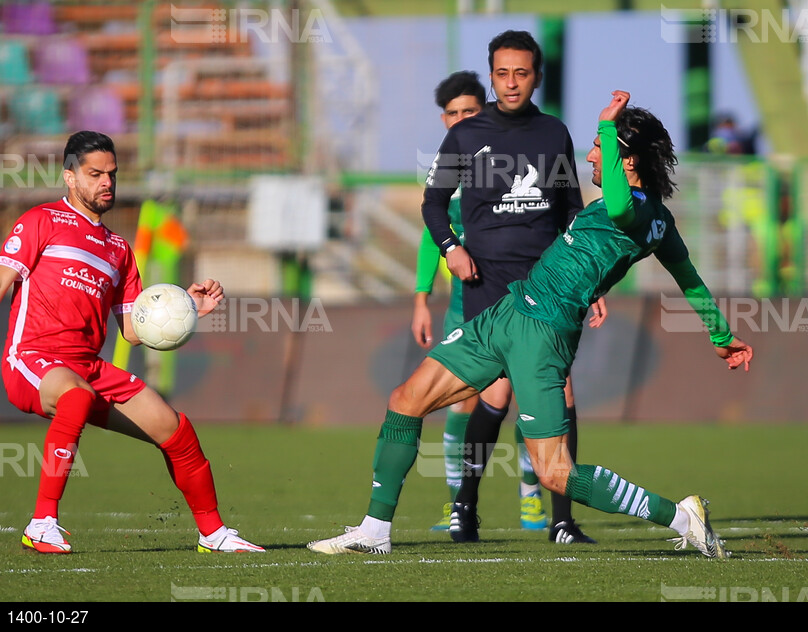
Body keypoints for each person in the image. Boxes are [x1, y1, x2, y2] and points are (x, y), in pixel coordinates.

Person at [307, 90, 752, 558]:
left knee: (553, 471)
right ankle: (375, 530)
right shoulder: (655, 218)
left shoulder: (637, 210)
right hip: (508, 312)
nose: (592, 155)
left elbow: (627, 214)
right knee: (406, 400)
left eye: (601, 148)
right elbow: (693, 283)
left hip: (543, 334)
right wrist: (721, 335)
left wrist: (606, 123)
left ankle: (682, 516)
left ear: (629, 159)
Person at [0, 131, 264, 554]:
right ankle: (42, 522)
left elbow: (133, 330)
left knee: (176, 430)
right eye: (95, 174)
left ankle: (213, 534)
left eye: (112, 174)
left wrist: (185, 308)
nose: (107, 182)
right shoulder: (41, 221)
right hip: (32, 358)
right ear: (69, 177)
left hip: (88, 368)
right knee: (75, 398)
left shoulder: (119, 250)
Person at [425, 31, 604, 544]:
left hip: (550, 284)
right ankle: (466, 506)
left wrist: (588, 277)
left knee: (559, 390)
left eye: (521, 73)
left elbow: (572, 210)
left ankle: (563, 519)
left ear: (536, 77)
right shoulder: (465, 135)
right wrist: (450, 249)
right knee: (497, 394)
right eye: (502, 73)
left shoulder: (554, 133)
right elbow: (433, 203)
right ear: (491, 75)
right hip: (487, 284)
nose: (511, 83)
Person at [413, 71, 484, 531]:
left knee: (524, 396)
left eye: (470, 112)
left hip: (517, 293)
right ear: (444, 119)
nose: (460, 120)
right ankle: (458, 503)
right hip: (462, 298)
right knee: (461, 399)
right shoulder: (445, 169)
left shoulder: (508, 158)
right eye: (453, 113)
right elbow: (429, 235)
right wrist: (421, 299)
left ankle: (534, 501)